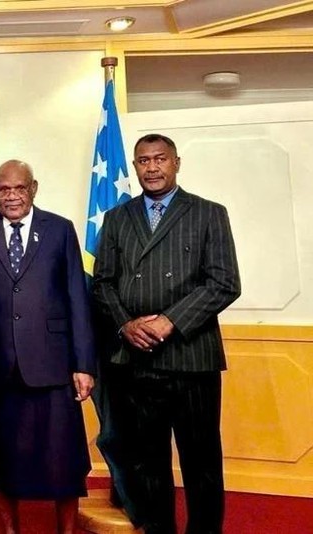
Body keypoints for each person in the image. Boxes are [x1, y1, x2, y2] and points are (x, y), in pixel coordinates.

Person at [92, 133, 241, 534]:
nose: (152, 167)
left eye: (160, 159)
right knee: (146, 461)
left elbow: (225, 283)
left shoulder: (209, 213)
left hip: (192, 358)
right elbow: (102, 283)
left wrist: (169, 321)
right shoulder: (117, 218)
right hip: (135, 360)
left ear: (176, 163)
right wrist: (126, 324)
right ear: (136, 166)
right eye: (143, 161)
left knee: (201, 461)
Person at [0, 159, 96, 534]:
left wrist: (84, 363)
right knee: (5, 457)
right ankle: (10, 530)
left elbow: (76, 298)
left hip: (53, 364)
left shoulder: (60, 230)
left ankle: (65, 530)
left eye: (20, 188)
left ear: (33, 189)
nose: (12, 196)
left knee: (62, 458)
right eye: (4, 189)